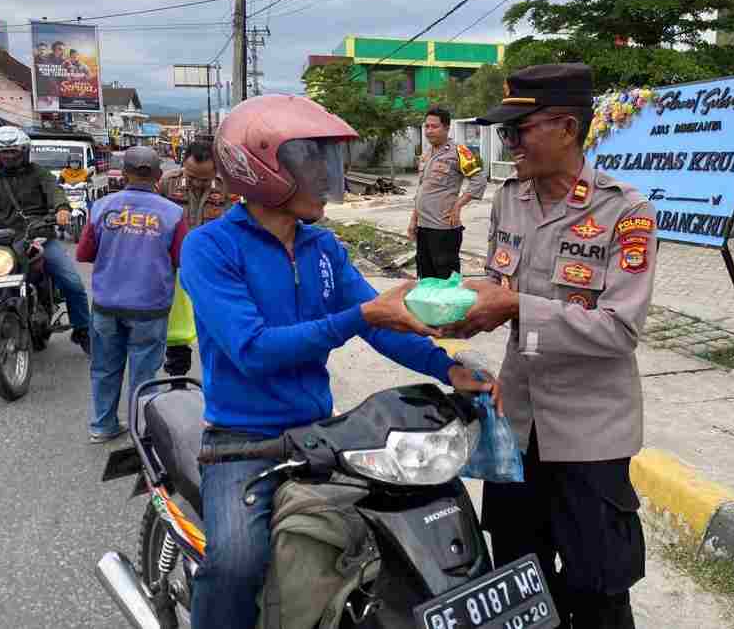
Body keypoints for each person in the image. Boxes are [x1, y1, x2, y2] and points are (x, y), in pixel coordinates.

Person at [178, 94, 496, 628]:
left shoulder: (322, 247)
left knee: (386, 536)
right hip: (242, 441)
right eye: (311, 160)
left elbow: (378, 321)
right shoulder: (210, 248)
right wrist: (359, 316)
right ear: (261, 171)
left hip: (319, 433)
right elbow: (253, 350)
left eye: (327, 160)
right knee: (235, 566)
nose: (326, 174)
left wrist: (448, 366)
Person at [441, 64, 658, 629]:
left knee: (597, 588)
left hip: (588, 437)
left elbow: (620, 328)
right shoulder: (509, 198)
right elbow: (498, 285)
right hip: (516, 428)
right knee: (516, 581)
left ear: (565, 127)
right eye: (506, 133)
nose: (509, 145)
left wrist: (514, 308)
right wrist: (466, 314)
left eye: (520, 131)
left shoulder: (624, 211)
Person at [75, 146, 187, 443]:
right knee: (145, 373)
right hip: (149, 307)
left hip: (106, 306)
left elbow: (84, 253)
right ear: (159, 176)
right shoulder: (174, 214)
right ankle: (140, 432)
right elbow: (181, 259)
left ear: (123, 174)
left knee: (104, 368)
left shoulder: (101, 207)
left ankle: (102, 426)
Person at [0, 126, 91, 353]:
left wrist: (62, 209)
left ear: (24, 152)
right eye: (3, 152)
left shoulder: (39, 173)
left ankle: (82, 329)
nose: (9, 156)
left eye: (14, 152)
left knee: (72, 283)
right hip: (3, 242)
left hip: (39, 237)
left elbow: (55, 191)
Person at [157, 138, 238, 377]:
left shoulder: (227, 187)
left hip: (212, 267)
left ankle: (219, 377)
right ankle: (177, 376)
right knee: (178, 326)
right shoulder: (167, 183)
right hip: (175, 264)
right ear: (184, 165)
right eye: (192, 176)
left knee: (212, 323)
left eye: (204, 179)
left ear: (216, 170)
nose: (197, 183)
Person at [407, 106, 488, 279]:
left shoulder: (459, 152)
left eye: (434, 126)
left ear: (446, 127)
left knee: (446, 279)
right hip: (423, 228)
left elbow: (479, 180)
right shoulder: (426, 154)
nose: (429, 131)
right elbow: (421, 190)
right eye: (426, 126)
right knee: (426, 277)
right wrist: (414, 220)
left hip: (444, 228)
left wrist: (458, 205)